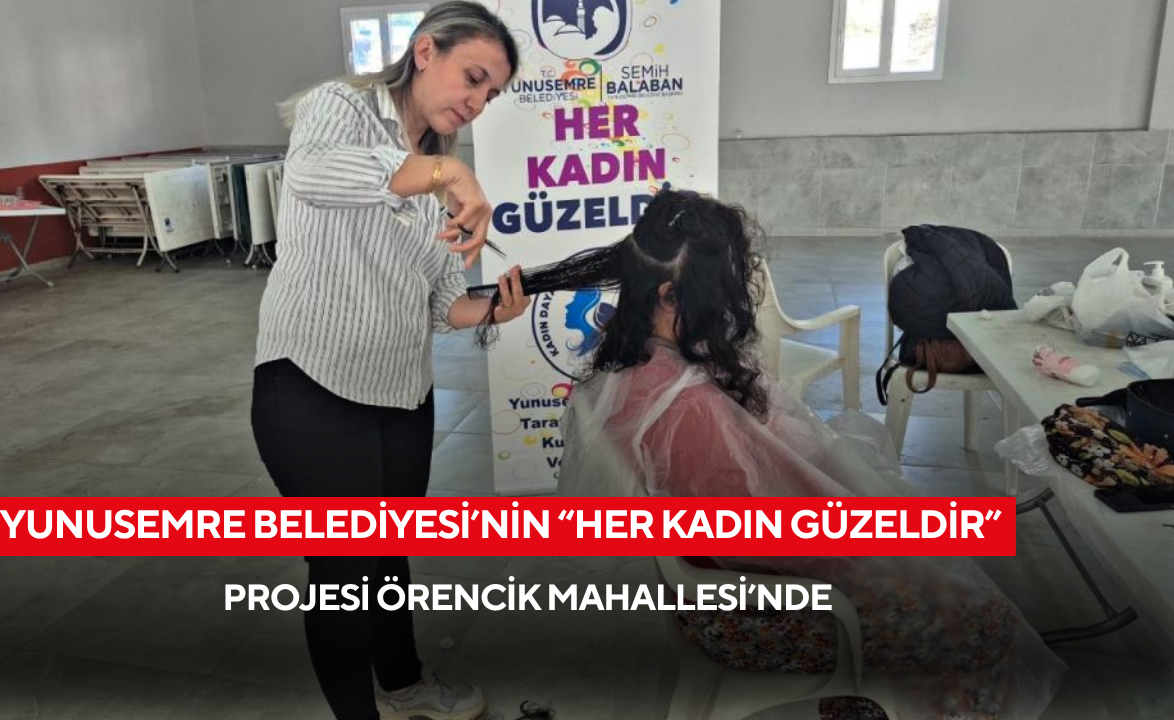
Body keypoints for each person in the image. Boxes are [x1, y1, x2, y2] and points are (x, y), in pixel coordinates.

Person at [528, 190, 1066, 719]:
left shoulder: (630, 366)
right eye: (717, 290)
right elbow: (768, 538)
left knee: (923, 567)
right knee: (983, 621)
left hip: (715, 588)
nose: (727, 306)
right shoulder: (685, 407)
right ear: (668, 296)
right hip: (748, 611)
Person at [251, 4, 530, 719]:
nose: (477, 101)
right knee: (343, 571)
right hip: (310, 383)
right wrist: (442, 171)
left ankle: (404, 686)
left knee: (387, 551)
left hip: (401, 393)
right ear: (425, 51)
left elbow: (440, 303)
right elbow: (311, 175)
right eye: (473, 77)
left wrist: (493, 309)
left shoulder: (439, 174)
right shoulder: (340, 107)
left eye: (491, 93)